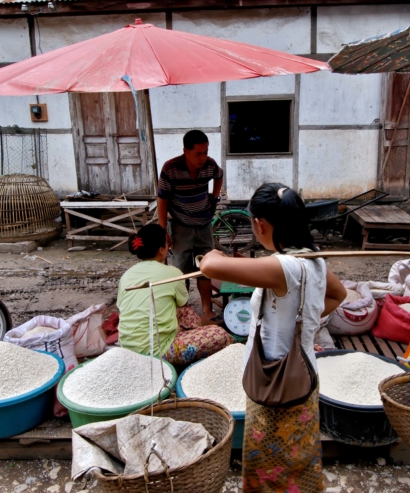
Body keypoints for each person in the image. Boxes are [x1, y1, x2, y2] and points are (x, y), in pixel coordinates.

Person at [200, 183, 346, 493]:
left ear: (260, 224)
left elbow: (210, 266)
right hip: (304, 376)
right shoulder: (314, 260)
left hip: (274, 382)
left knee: (270, 466)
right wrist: (302, 324)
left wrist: (212, 252)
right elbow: (338, 294)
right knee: (298, 462)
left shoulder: (283, 267)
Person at [117, 224, 232, 366]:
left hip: (127, 347)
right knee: (220, 335)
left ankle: (213, 323)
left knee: (183, 312)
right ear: (161, 250)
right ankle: (215, 326)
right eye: (167, 244)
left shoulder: (126, 276)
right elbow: (182, 303)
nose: (168, 247)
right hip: (156, 351)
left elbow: (122, 308)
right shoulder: (172, 273)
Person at [157, 130, 223, 322]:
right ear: (185, 151)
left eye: (206, 152)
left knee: (205, 268)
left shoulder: (210, 165)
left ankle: (207, 310)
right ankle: (183, 312)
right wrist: (163, 231)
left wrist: (214, 197)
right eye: (198, 154)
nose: (203, 158)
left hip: (204, 225)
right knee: (180, 271)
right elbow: (162, 201)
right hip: (180, 226)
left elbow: (219, 175)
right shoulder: (170, 168)